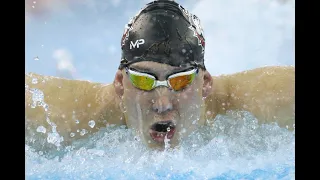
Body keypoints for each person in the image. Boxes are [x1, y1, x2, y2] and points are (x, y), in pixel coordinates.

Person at [25, 0, 295, 150]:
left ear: (206, 82)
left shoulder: (264, 102)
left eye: (180, 81)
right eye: (144, 80)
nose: (163, 102)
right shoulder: (62, 116)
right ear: (120, 82)